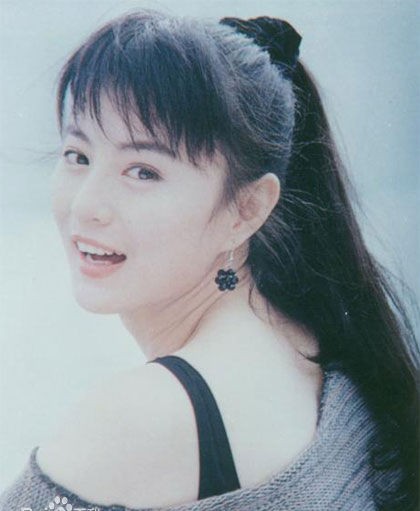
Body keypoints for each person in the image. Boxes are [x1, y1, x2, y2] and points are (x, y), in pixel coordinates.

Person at [0, 10, 418, 511]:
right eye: (78, 156)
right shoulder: (316, 350)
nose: (86, 205)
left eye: (143, 171)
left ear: (247, 209)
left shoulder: (138, 419)